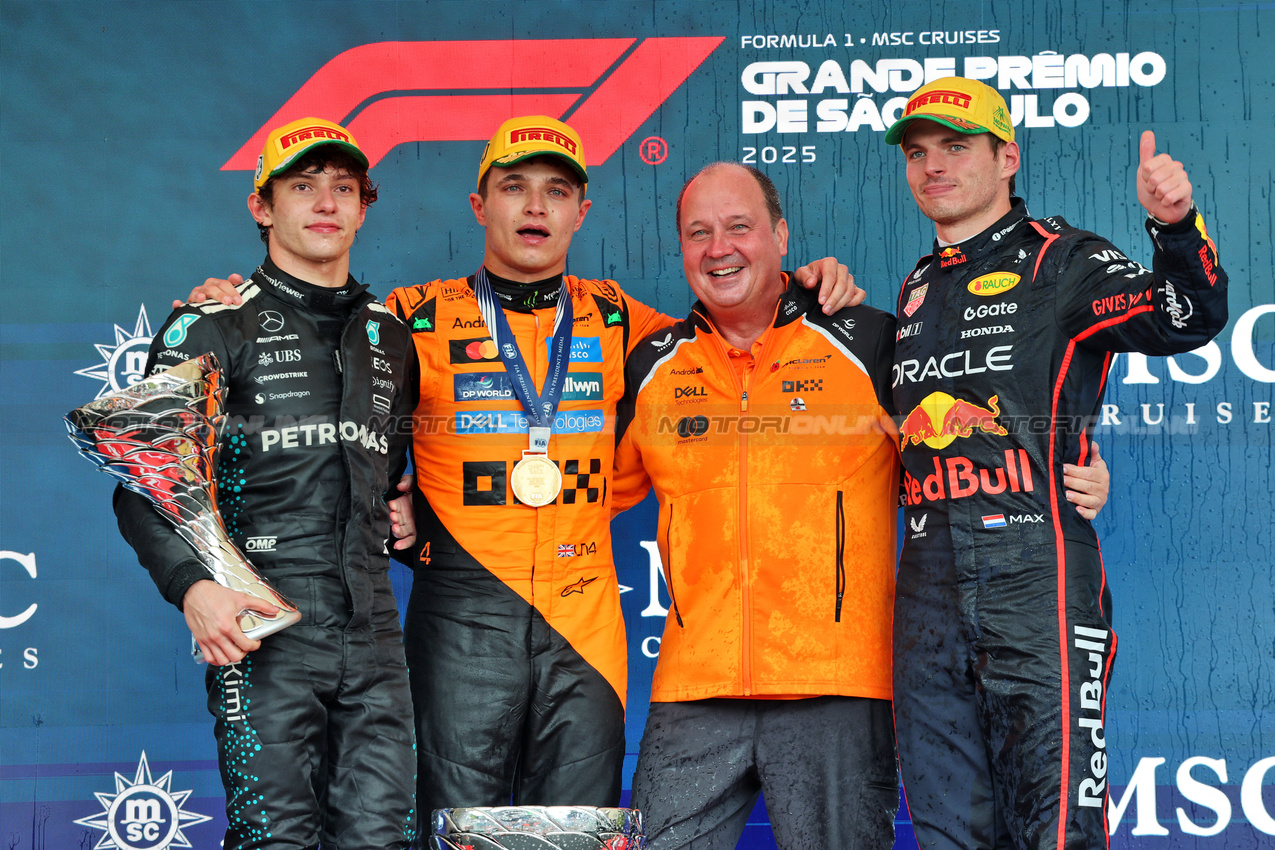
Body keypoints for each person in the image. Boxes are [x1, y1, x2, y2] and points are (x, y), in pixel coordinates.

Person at [183, 115, 858, 821]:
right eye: (513, 186)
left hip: (586, 624)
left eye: (556, 190)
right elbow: (321, 376)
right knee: (451, 830)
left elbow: (739, 329)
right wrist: (224, 305)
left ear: (579, 211)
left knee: (575, 831)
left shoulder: (623, 319)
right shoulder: (409, 317)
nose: (535, 206)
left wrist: (802, 287)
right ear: (480, 206)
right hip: (459, 618)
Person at [611, 161, 1111, 849]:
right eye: (698, 233)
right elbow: (584, 494)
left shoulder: (865, 339)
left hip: (838, 691)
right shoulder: (651, 364)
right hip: (691, 691)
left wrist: (1066, 469)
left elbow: (968, 420)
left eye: (738, 227)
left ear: (779, 235)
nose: (718, 248)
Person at [883, 77, 1228, 849]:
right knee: (946, 830)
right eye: (917, 152)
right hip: (927, 584)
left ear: (1007, 157)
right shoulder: (913, 286)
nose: (932, 165)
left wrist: (1174, 227)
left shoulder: (1063, 259)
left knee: (1055, 826)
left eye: (954, 146)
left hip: (1034, 572)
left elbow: (1186, 318)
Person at [114, 117, 419, 849]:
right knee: (274, 839)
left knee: (383, 840)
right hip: (267, 625)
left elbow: (394, 478)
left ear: (363, 206)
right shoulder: (212, 325)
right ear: (262, 206)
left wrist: (404, 514)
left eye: (343, 188)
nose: (325, 203)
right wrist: (195, 587)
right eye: (303, 186)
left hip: (375, 630)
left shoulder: (393, 337)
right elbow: (142, 484)